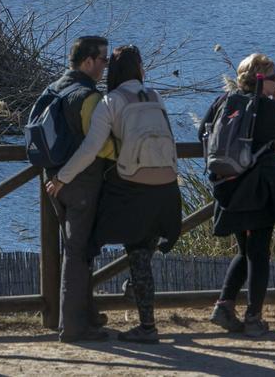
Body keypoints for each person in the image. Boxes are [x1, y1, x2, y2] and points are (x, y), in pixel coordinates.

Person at [57, 45, 181, 344]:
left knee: (132, 254)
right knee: (143, 257)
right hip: (166, 186)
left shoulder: (111, 101)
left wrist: (62, 178)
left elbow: (90, 149)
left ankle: (145, 325)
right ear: (139, 70)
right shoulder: (156, 96)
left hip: (133, 188)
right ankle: (142, 309)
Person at [200, 53, 275, 338]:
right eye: (274, 77)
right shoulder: (269, 108)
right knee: (259, 254)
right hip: (259, 187)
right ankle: (253, 317)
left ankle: (224, 306)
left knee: (245, 250)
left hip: (228, 186)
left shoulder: (222, 102)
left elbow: (201, 133)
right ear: (263, 80)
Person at [40, 35, 115, 343]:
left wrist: (56, 177)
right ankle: (73, 326)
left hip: (53, 179)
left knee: (76, 250)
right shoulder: (89, 97)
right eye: (103, 60)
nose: (105, 66)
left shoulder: (54, 88)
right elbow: (98, 147)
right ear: (88, 62)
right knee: (77, 252)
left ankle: (87, 315)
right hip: (79, 183)